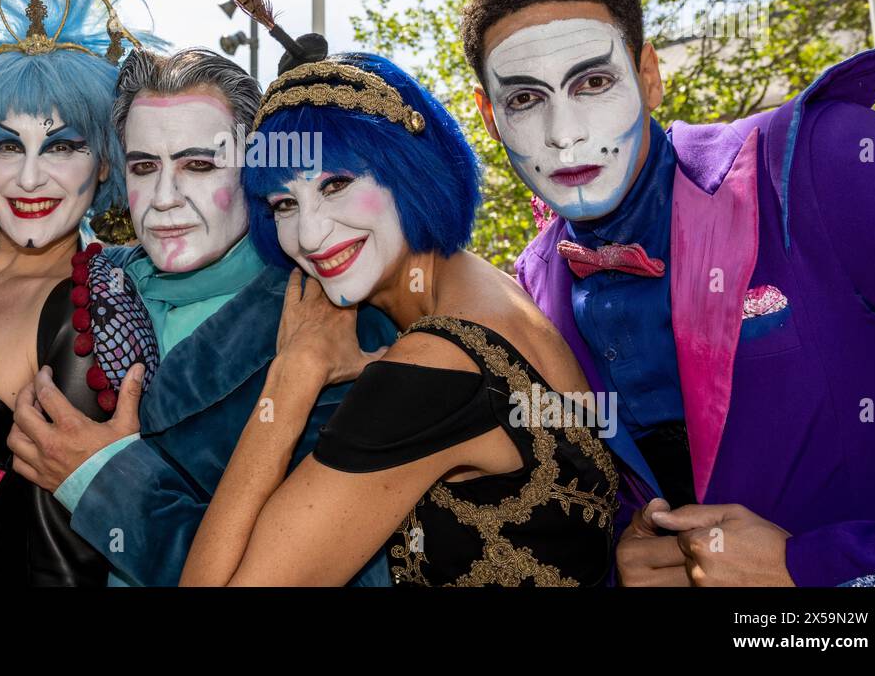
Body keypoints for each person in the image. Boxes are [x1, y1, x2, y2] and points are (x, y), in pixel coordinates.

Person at [459, 0, 875, 586]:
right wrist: (627, 558)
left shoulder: (825, 161)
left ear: (649, 76)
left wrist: (813, 569)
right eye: (526, 99)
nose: (563, 133)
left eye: (593, 82)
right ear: (489, 116)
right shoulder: (533, 288)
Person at [0, 47, 398, 585]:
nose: (163, 198)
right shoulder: (91, 276)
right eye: (143, 166)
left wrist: (103, 480)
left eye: (198, 165)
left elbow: (312, 573)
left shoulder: (338, 324)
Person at [172, 52, 618, 586]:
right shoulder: (499, 294)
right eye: (283, 205)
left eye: (335, 184)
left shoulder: (435, 366)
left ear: (410, 170)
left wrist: (294, 376)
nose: (310, 236)